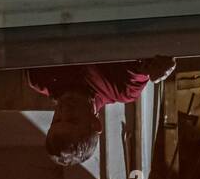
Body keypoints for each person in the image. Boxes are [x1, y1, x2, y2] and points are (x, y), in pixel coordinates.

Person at [28, 57, 176, 166]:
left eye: (57, 120)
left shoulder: (40, 79)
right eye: (73, 119)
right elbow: (145, 61)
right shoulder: (123, 89)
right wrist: (156, 65)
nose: (63, 111)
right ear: (96, 124)